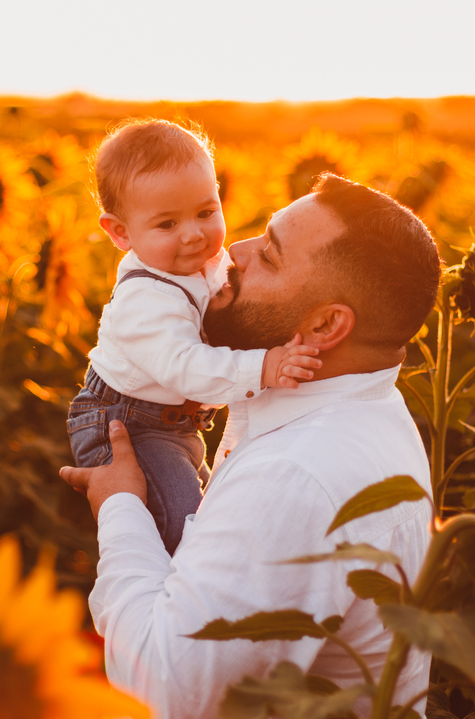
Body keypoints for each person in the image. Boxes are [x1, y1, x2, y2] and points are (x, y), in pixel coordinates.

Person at [61, 173, 442, 719]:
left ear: (324, 326)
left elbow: (171, 695)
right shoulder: (358, 416)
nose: (227, 251)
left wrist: (120, 505)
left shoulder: (298, 475)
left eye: (266, 253)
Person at [70, 119, 320, 556]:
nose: (193, 234)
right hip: (126, 424)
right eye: (166, 224)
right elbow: (186, 366)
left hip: (175, 424)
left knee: (212, 512)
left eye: (206, 212)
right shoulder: (145, 299)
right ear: (120, 232)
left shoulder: (201, 262)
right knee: (184, 530)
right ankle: (175, 607)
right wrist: (263, 366)